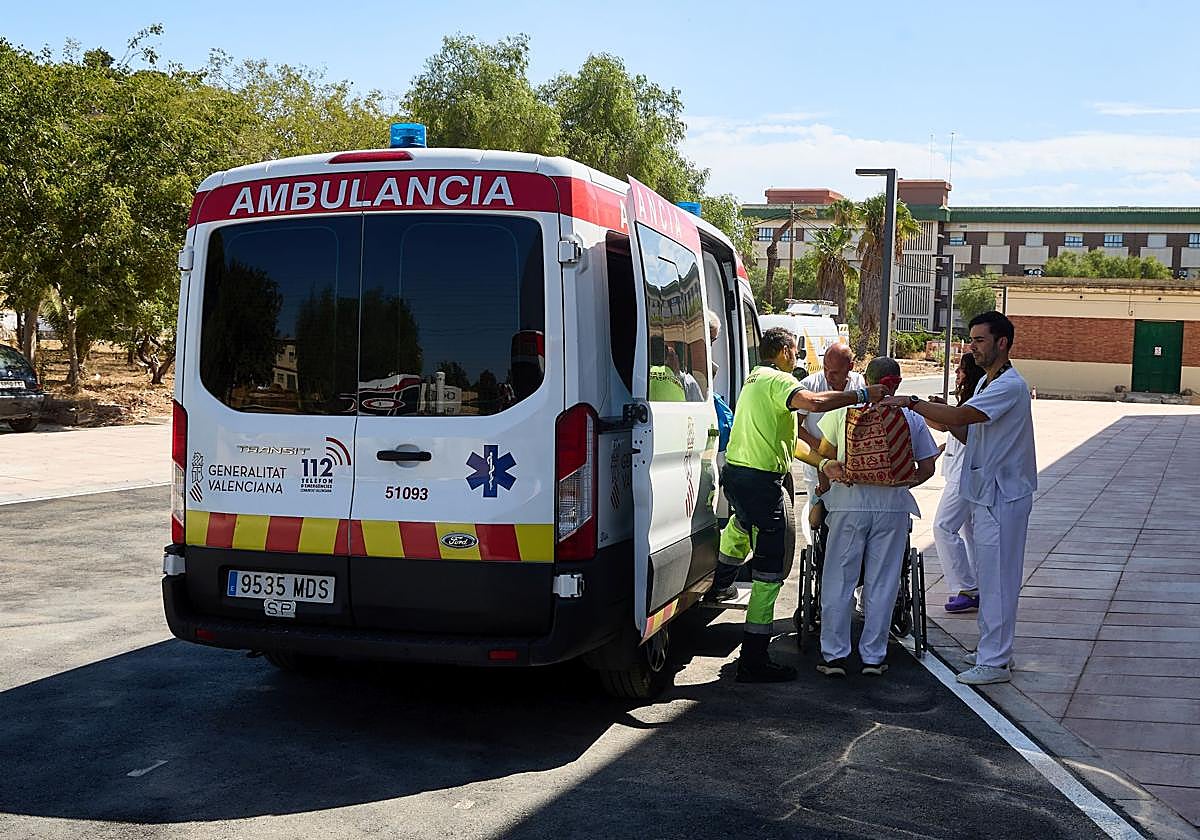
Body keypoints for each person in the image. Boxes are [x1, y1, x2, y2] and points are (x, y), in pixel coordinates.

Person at [709, 326, 889, 683]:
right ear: (785, 351)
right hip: (762, 483)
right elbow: (814, 403)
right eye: (796, 351)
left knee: (741, 527)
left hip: (740, 476)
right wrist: (861, 394)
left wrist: (824, 463)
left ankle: (721, 581)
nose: (799, 359)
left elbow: (788, 443)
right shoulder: (778, 381)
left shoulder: (755, 379)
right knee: (770, 573)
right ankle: (754, 659)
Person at [880, 311, 1036, 686]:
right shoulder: (987, 381)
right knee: (990, 576)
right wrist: (938, 419)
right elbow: (968, 433)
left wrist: (913, 403)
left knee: (998, 580)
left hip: (1003, 495)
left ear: (1002, 343)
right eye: (972, 339)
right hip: (986, 494)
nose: (972, 347)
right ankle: (993, 651)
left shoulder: (1010, 385)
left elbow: (964, 415)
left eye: (980, 340)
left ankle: (995, 662)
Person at [813, 357, 940, 677]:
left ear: (865, 380)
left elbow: (826, 458)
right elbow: (927, 468)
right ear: (896, 382)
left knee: (838, 581)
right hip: (893, 509)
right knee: (882, 583)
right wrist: (897, 481)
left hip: (847, 507)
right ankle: (873, 657)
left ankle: (835, 655)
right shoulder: (911, 415)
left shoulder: (843, 412)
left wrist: (825, 485)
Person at [928, 353, 986, 613]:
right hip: (958, 472)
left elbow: (961, 431)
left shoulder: (975, 402)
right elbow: (945, 426)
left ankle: (965, 587)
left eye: (961, 370)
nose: (957, 374)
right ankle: (978, 585)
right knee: (968, 531)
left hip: (964, 476)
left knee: (943, 527)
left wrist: (941, 413)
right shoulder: (966, 402)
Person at [795, 343, 865, 545]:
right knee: (818, 513)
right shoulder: (810, 386)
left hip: (850, 467)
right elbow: (795, 428)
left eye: (834, 372)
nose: (828, 375)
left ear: (850, 367)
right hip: (818, 464)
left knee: (847, 518)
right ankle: (820, 551)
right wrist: (821, 448)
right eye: (825, 368)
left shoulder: (860, 384)